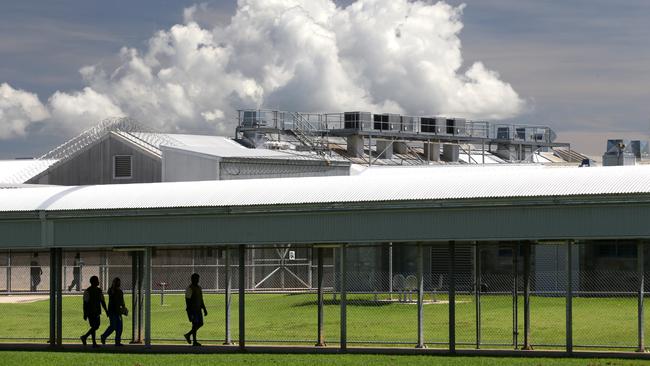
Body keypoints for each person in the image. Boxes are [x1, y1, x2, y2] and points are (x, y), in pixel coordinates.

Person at [81, 275, 107, 348]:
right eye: (97, 280)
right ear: (93, 282)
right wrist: (85, 313)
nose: (98, 282)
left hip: (97, 311)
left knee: (95, 326)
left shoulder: (99, 290)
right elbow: (85, 303)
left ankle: (86, 338)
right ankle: (92, 342)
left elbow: (102, 301)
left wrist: (106, 310)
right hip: (90, 312)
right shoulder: (87, 291)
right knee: (94, 326)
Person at [100, 277, 127, 346]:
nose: (118, 283)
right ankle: (103, 336)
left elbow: (122, 301)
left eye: (118, 282)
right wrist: (113, 287)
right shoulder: (111, 290)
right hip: (112, 311)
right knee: (113, 326)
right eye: (116, 282)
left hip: (118, 311)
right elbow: (110, 293)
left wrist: (124, 308)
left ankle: (117, 342)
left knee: (120, 327)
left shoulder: (120, 291)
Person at [184, 273, 207, 346]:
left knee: (200, 323)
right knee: (194, 325)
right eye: (195, 279)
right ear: (192, 279)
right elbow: (187, 300)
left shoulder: (199, 288)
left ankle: (188, 335)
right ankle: (194, 341)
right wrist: (189, 311)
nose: (197, 280)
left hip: (198, 309)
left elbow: (201, 299)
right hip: (192, 310)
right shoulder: (189, 288)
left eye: (198, 279)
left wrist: (204, 308)